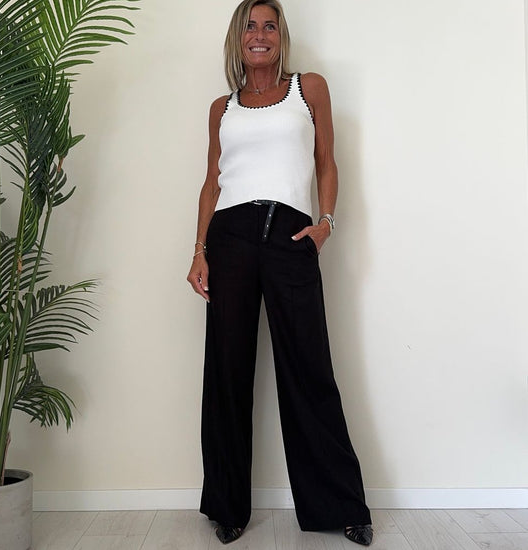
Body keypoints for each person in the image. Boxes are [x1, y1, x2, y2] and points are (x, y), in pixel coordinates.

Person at [187, 0, 373, 545]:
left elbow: (327, 162)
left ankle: (340, 506)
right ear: (238, 38)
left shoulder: (307, 89)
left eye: (269, 26)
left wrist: (326, 223)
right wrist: (199, 251)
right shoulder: (222, 108)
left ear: (280, 36)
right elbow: (211, 183)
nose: (260, 34)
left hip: (291, 235)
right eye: (250, 26)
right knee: (227, 372)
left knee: (309, 368)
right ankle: (227, 507)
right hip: (230, 238)